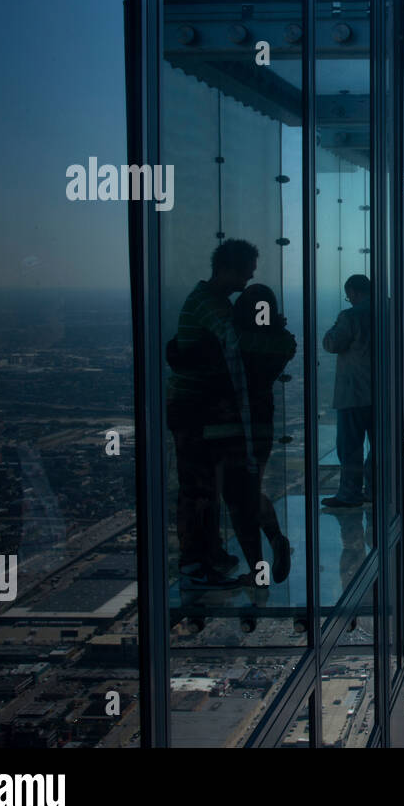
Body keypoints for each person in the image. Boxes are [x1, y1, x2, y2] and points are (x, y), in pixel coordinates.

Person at [165, 239, 260, 588]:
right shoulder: (211, 305)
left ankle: (208, 553)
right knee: (198, 487)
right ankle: (194, 562)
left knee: (205, 484)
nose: (247, 281)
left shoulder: (210, 301)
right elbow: (235, 345)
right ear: (228, 270)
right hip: (193, 410)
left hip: (194, 408)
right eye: (246, 274)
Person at [233, 283, 296, 584]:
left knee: (239, 497)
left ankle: (258, 566)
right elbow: (285, 345)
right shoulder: (279, 342)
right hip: (261, 423)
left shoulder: (237, 340)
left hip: (232, 424)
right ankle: (272, 543)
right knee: (248, 489)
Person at [322, 274, 373, 509]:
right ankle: (376, 489)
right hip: (383, 394)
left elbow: (332, 343)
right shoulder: (392, 311)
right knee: (381, 446)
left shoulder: (350, 316)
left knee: (350, 446)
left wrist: (334, 326)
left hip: (353, 393)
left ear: (353, 292)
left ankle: (349, 493)